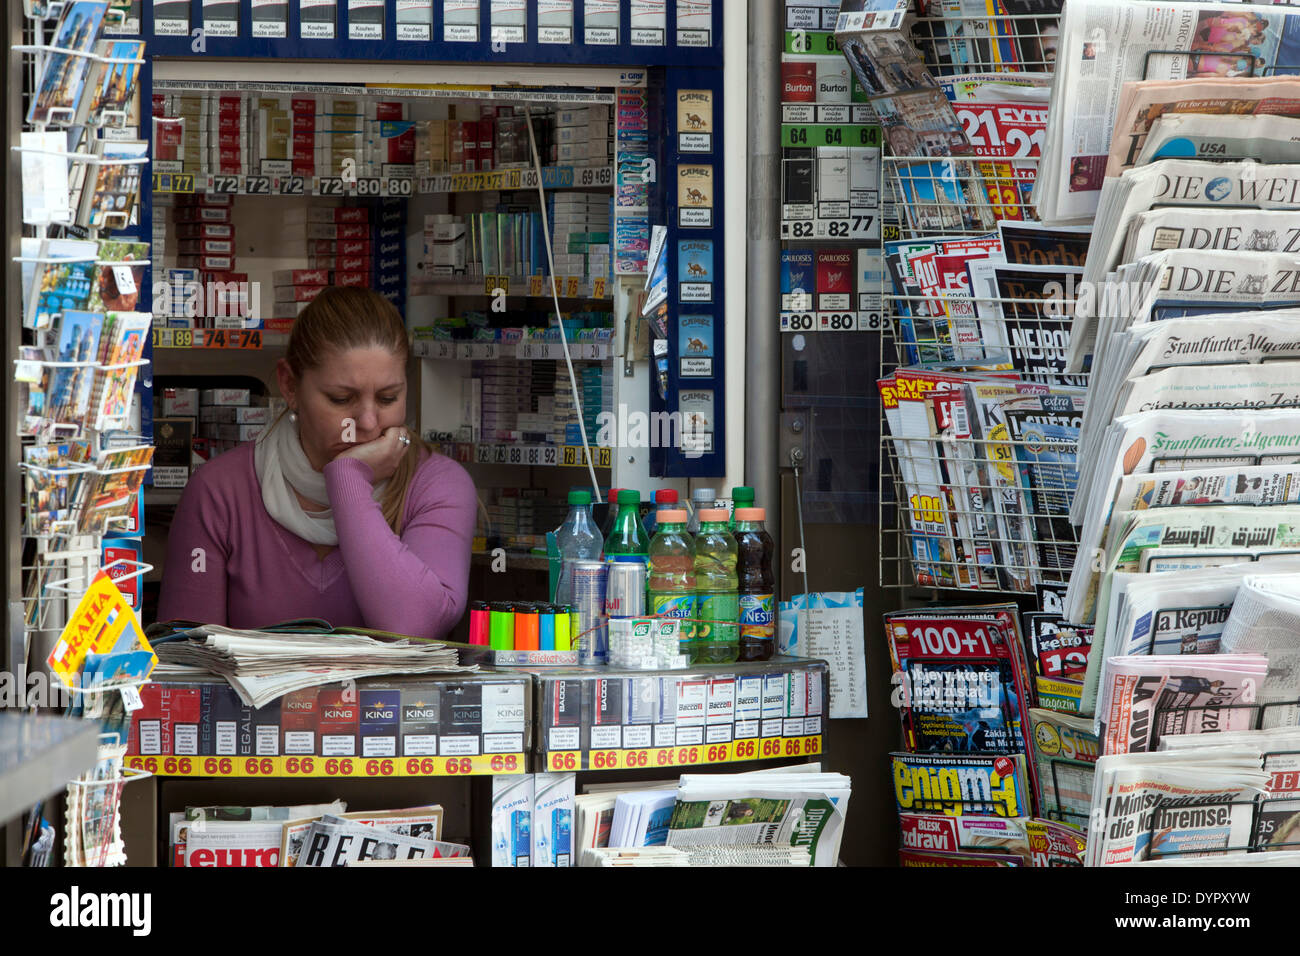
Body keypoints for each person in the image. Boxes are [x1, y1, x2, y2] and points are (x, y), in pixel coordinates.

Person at [156, 286, 477, 640]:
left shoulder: (437, 484)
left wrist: (348, 480)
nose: (368, 422)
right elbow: (185, 657)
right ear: (290, 385)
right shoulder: (220, 491)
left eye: (388, 398)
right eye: (341, 399)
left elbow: (414, 627)